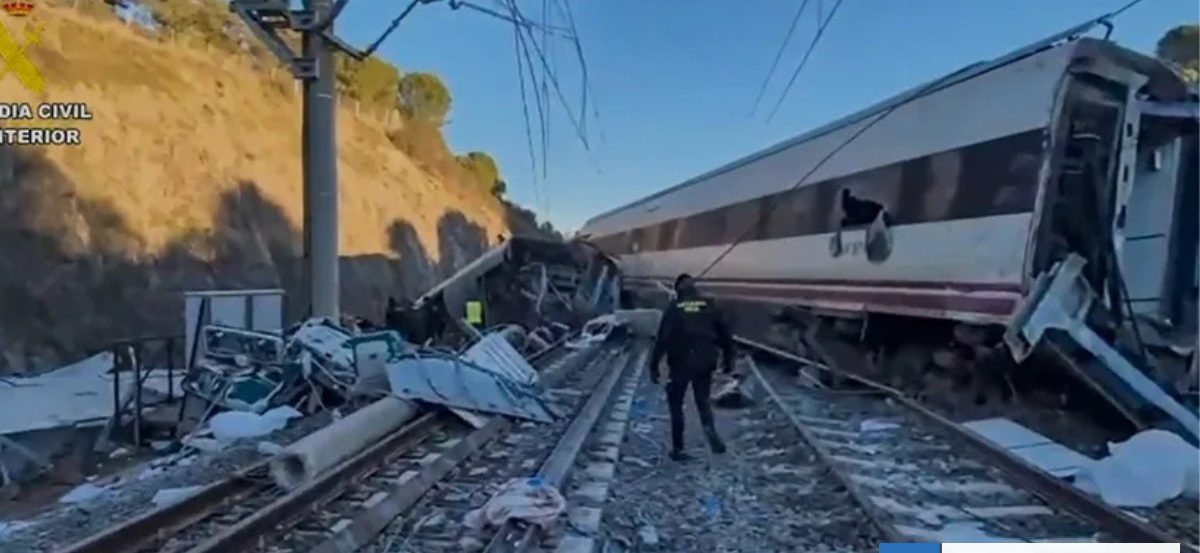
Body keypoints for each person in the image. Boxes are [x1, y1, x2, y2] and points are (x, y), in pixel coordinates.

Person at [648, 274, 735, 461]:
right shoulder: (709, 305)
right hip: (705, 362)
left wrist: (654, 365)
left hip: (681, 363)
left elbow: (662, 338)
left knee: (676, 404)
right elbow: (725, 336)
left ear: (678, 289)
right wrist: (729, 360)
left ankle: (678, 448)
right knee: (702, 401)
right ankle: (710, 431)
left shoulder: (675, 307)